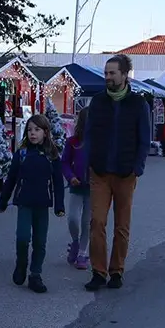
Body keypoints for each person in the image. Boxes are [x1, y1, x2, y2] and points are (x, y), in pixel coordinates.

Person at [84, 55, 151, 292]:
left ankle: (116, 271)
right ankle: (98, 272)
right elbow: (89, 135)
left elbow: (145, 138)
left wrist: (137, 168)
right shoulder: (98, 102)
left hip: (125, 173)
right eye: (106, 73)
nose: (108, 77)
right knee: (97, 222)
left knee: (122, 226)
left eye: (112, 73)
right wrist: (88, 164)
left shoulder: (138, 104)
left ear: (124, 75)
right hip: (100, 172)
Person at [0, 115, 65, 294]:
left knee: (40, 241)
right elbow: (11, 179)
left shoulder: (52, 154)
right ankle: (21, 264)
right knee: (22, 237)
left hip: (42, 203)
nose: (32, 133)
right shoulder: (22, 154)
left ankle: (35, 274)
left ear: (45, 132)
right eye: (29, 130)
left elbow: (58, 182)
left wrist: (59, 205)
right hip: (24, 202)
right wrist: (3, 201)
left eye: (37, 130)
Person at [61, 108, 91, 270]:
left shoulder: (100, 142)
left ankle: (82, 253)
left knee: (87, 222)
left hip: (94, 188)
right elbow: (64, 162)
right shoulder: (73, 142)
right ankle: (75, 241)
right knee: (73, 218)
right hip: (76, 185)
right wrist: (70, 176)